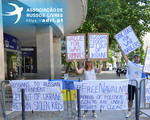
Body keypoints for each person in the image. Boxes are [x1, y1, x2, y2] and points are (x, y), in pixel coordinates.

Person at [119, 46, 147, 118]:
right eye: (135, 57)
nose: (136, 58)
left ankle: (138, 111)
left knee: (139, 99)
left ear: (139, 59)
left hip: (140, 85)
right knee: (130, 99)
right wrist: (121, 49)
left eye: (137, 57)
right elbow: (124, 57)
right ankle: (129, 112)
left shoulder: (142, 66)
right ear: (133, 58)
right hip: (131, 84)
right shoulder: (130, 64)